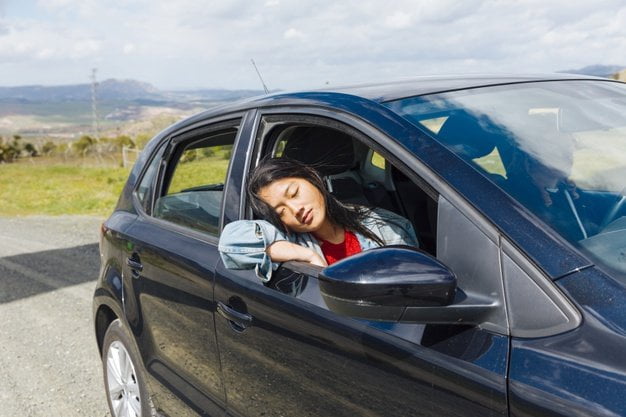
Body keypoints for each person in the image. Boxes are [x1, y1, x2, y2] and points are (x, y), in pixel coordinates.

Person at [218, 157, 419, 282]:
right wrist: (306, 255)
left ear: (310, 177)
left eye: (294, 193)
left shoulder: (382, 225)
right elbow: (230, 242)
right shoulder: (289, 239)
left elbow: (413, 283)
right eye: (281, 212)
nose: (296, 210)